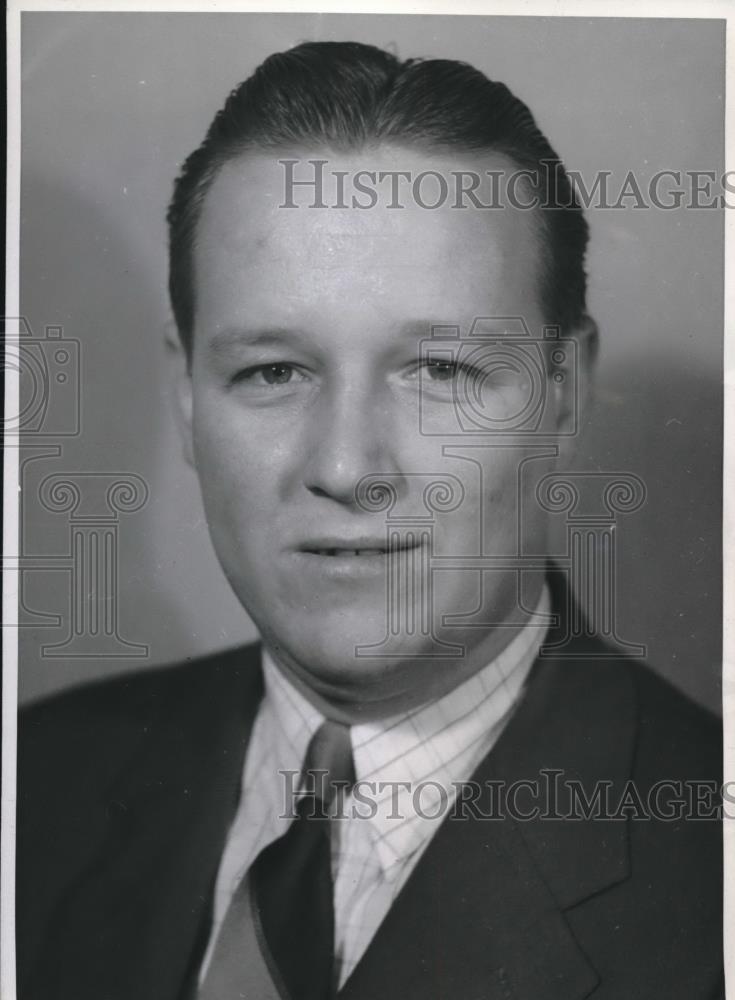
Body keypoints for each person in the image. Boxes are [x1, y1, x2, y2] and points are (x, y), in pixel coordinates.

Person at [16, 41, 723, 1000]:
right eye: (273, 371)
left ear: (562, 393)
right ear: (185, 396)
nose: (346, 468)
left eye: (440, 372)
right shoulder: (35, 784)